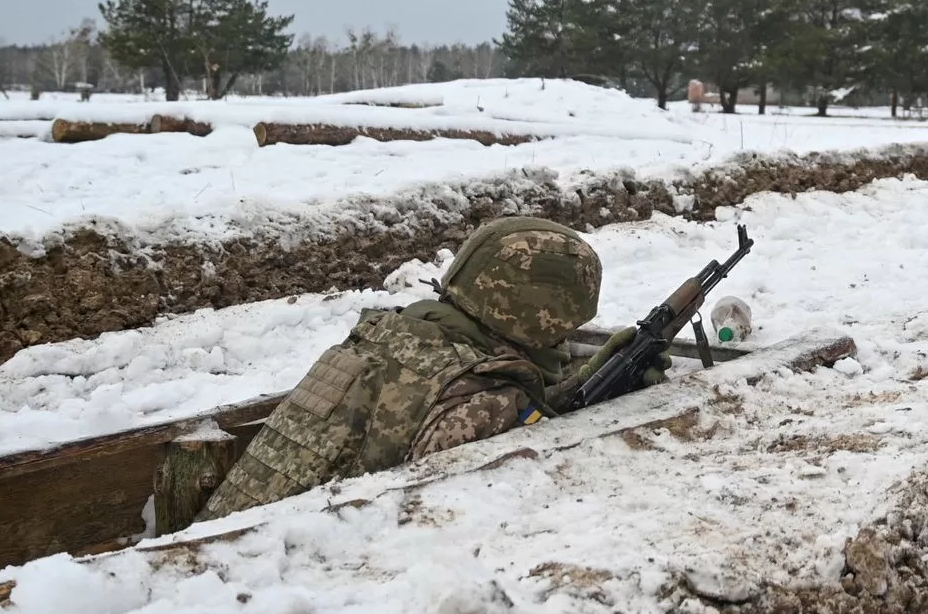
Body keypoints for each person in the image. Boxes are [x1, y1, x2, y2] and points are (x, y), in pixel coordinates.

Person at [195, 216, 664, 521]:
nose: (564, 338)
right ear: (535, 314)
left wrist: (587, 382)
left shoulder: (393, 335)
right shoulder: (481, 399)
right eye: (563, 327)